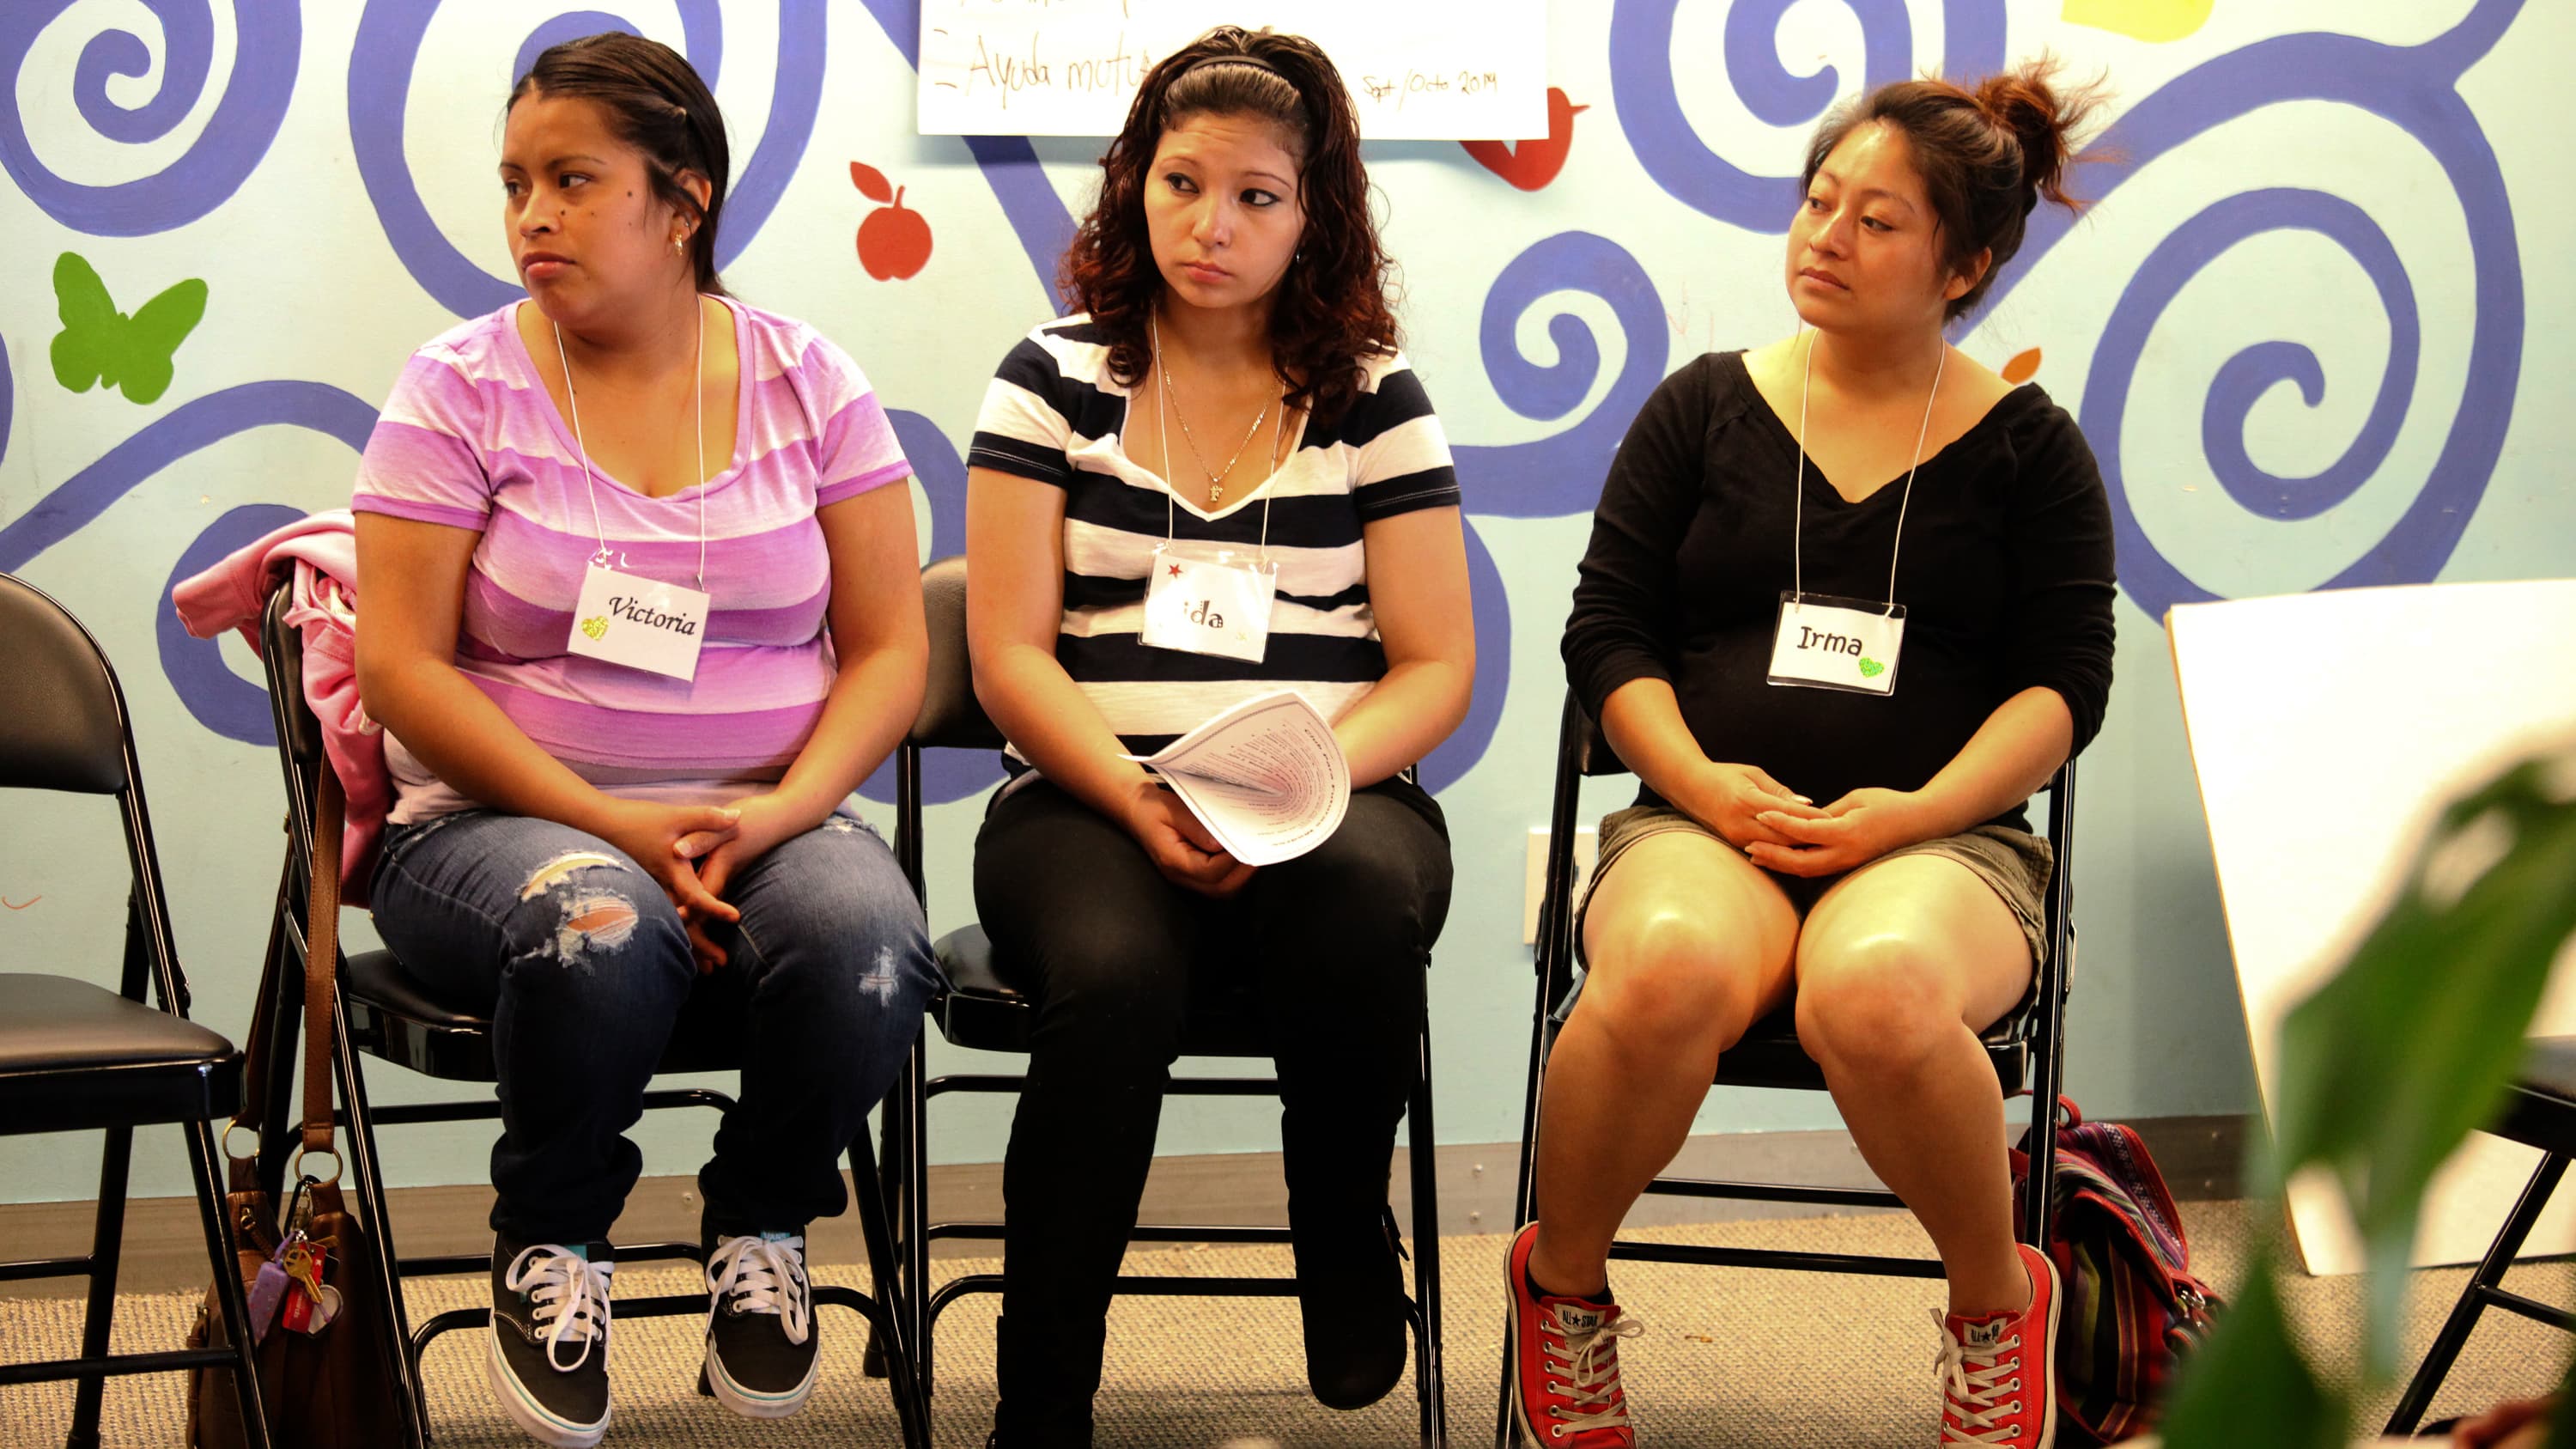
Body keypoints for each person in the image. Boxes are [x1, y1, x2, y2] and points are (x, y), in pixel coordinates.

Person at [1515, 60, 2117, 1449]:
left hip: (1945, 846)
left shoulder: (2032, 451)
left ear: (1963, 267)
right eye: (1819, 201)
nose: (1826, 236)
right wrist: (1701, 784)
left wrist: (1913, 812)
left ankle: (1995, 1306)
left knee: (1879, 990)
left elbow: (2062, 689)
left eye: (1877, 220)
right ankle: (1564, 1291)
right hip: (1701, 826)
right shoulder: (1701, 408)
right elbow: (1607, 635)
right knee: (1662, 965)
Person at [349, 33, 933, 1449]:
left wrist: (784, 811)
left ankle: (762, 1222)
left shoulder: (811, 382)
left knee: (870, 942)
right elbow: (399, 669)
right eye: (515, 184)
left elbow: (892, 650)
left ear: (683, 201)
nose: (530, 216)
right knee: (601, 923)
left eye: (572, 180)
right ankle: (553, 1240)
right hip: (488, 832)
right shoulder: (457, 386)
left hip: (766, 817)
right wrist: (612, 825)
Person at [961, 25, 1475, 1446]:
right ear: (1137, 183)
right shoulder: (1050, 379)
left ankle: (1343, 1236)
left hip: (1329, 794)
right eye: (1182, 184)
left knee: (1363, 905)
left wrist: (1290, 787)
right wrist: (1139, 798)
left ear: (1314, 216)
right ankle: (1041, 1394)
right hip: (1086, 797)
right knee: (1115, 978)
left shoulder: (1373, 394)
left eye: (1257, 196)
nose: (1212, 225)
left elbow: (1437, 665)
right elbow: (1007, 654)